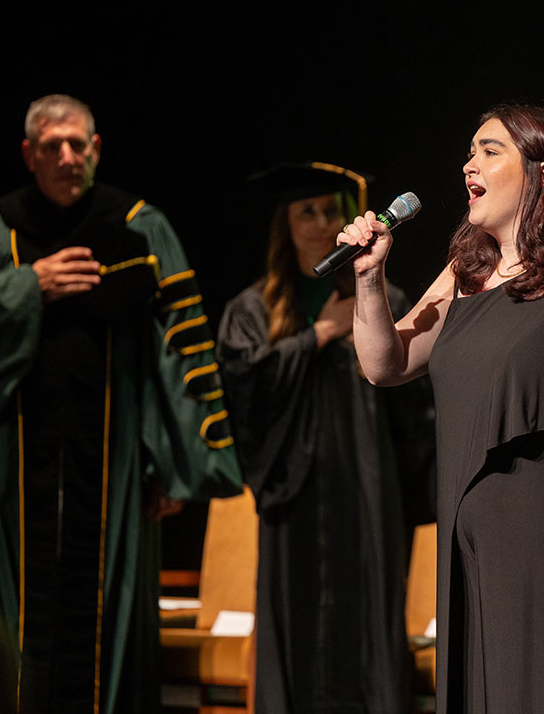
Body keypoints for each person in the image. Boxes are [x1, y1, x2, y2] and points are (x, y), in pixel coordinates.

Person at [0, 94, 242, 714]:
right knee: (16, 635)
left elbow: (181, 352)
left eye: (78, 144)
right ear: (28, 155)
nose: (67, 157)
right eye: (51, 146)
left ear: (97, 148)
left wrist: (173, 465)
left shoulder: (140, 227)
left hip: (116, 475)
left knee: (106, 634)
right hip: (14, 471)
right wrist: (26, 286)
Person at [339, 104, 544, 713]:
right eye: (469, 152)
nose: (469, 165)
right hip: (475, 546)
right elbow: (384, 364)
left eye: (491, 151)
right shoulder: (467, 272)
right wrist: (368, 278)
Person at [216, 162, 435, 714]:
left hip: (369, 492)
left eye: (331, 209)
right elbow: (245, 394)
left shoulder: (381, 298)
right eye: (305, 212)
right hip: (295, 499)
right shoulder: (254, 311)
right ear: (283, 227)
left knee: (368, 619)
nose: (320, 222)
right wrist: (317, 336)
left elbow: (415, 411)